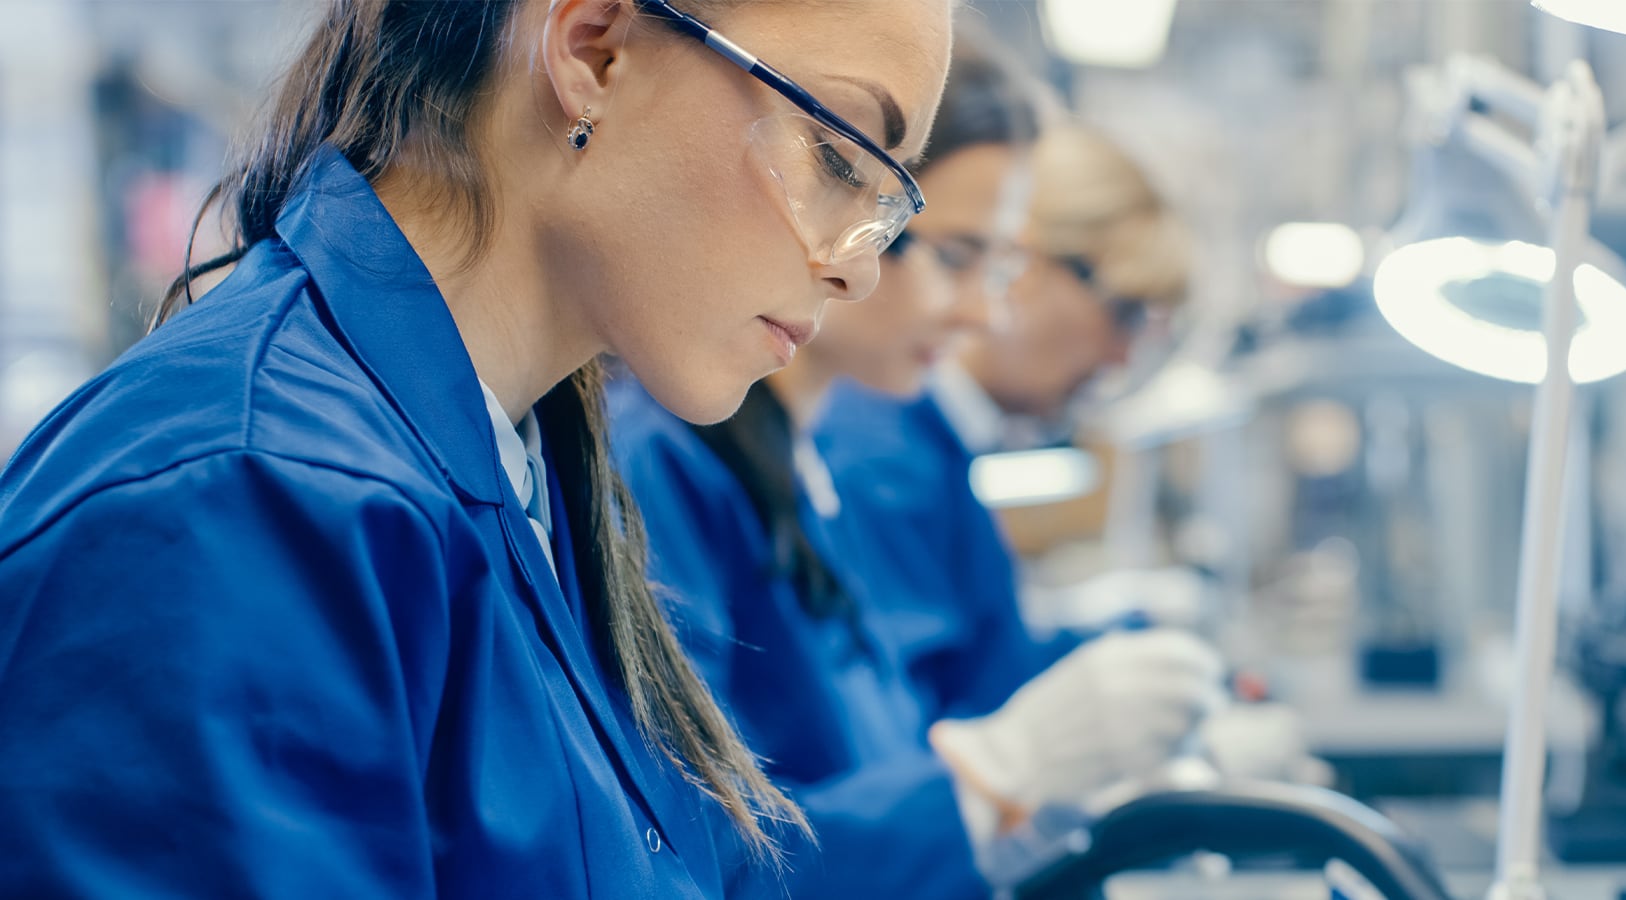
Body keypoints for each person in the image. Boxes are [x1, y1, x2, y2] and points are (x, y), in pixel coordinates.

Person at [0, 0, 949, 895]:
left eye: (886, 199)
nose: (858, 265)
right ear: (593, 52)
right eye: (835, 155)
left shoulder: (525, 469)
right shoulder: (236, 505)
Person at [609, 60, 1221, 898]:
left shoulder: (805, 465)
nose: (982, 312)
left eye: (997, 268)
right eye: (959, 258)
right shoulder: (667, 466)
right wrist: (992, 771)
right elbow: (706, 861)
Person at [815, 121, 1192, 721]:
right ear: (1024, 263)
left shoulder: (937, 442)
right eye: (1121, 312)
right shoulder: (878, 453)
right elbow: (919, 722)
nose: (1122, 356)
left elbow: (977, 662)